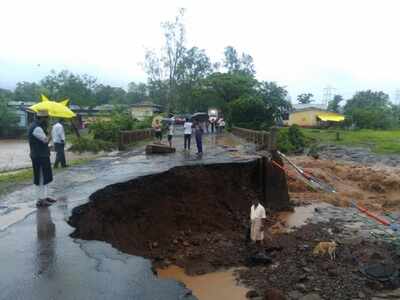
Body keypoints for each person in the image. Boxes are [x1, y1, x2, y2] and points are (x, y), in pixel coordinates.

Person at [28, 109, 56, 207]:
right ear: (42, 118)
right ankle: (40, 200)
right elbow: (46, 140)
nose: (48, 120)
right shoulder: (36, 128)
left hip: (41, 155)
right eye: (46, 118)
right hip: (39, 156)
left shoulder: (36, 126)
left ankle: (45, 196)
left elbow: (42, 142)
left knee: (45, 176)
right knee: (40, 177)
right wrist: (51, 132)